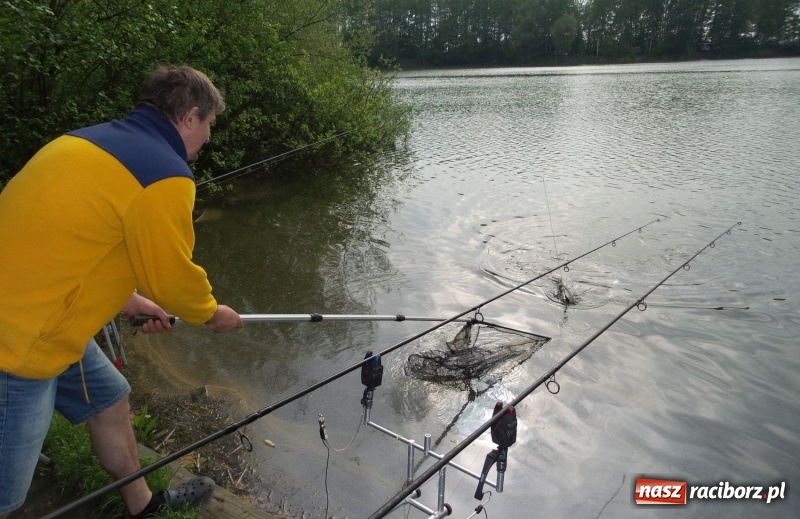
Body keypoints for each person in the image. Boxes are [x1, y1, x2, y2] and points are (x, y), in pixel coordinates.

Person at [0, 65, 244, 518]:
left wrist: (129, 299)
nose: (209, 137)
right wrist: (212, 314)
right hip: (19, 346)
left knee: (110, 398)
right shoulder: (164, 175)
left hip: (42, 317)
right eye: (209, 124)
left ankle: (142, 506)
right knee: (6, 496)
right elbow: (173, 278)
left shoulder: (81, 141)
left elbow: (75, 244)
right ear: (190, 116)